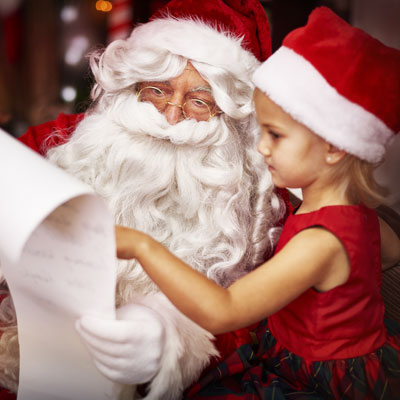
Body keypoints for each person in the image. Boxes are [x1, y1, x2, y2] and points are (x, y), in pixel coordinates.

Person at [0, 1, 290, 399]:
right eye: (157, 90)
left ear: (230, 115)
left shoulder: (259, 203)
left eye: (199, 102)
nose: (171, 116)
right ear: (131, 87)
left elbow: (268, 315)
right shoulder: (64, 143)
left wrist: (171, 336)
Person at [109, 7, 400, 399]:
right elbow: (388, 254)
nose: (260, 147)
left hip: (309, 380)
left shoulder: (319, 242)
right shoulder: (358, 216)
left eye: (276, 135)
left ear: (333, 147)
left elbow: (224, 309)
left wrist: (142, 247)